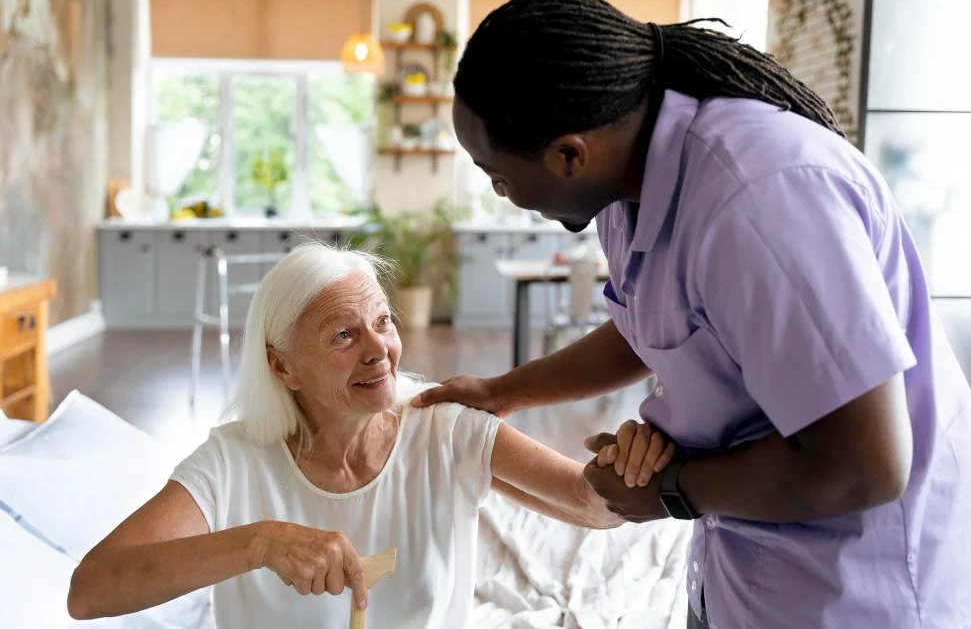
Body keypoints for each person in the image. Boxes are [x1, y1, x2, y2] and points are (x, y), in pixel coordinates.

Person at [412, 0, 971, 629]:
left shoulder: (761, 202)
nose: (500, 193)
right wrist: (503, 392)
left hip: (861, 585)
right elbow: (649, 326)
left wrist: (669, 491)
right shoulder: (623, 188)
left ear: (569, 154)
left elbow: (864, 466)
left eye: (496, 175)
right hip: (744, 563)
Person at [66, 244, 636, 628]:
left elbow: (593, 506)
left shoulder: (443, 426)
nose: (378, 349)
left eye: (383, 321)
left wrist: (629, 463)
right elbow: (89, 591)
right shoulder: (233, 460)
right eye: (343, 334)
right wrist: (259, 544)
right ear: (282, 367)